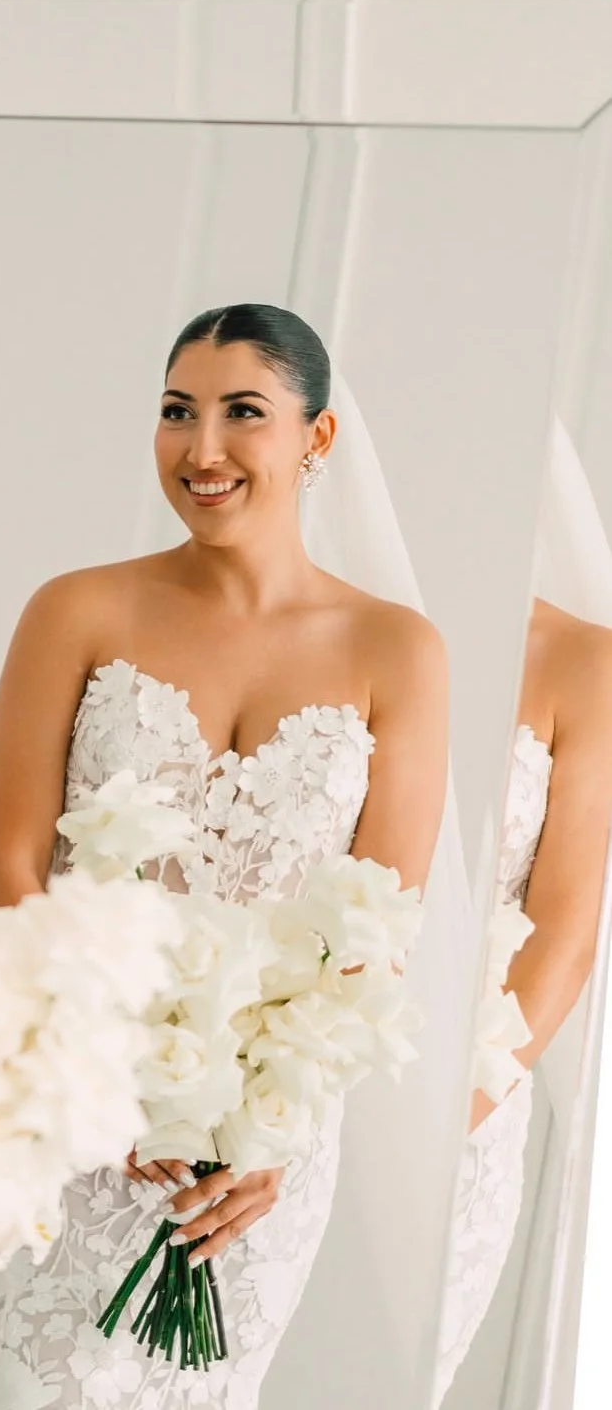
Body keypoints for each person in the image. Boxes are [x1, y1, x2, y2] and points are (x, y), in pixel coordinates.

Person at [0, 305, 449, 1410]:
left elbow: (379, 929)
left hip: (256, 1164)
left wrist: (270, 1126)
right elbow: (7, 871)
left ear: (317, 439)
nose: (202, 449)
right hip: (69, 1105)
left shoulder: (399, 652)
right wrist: (106, 1077)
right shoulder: (78, 609)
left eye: (243, 413)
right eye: (175, 413)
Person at [435, 424, 612, 1405]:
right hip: (266, 1078)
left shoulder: (585, 663)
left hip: (470, 1095)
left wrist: (433, 1126)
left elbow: (565, 937)